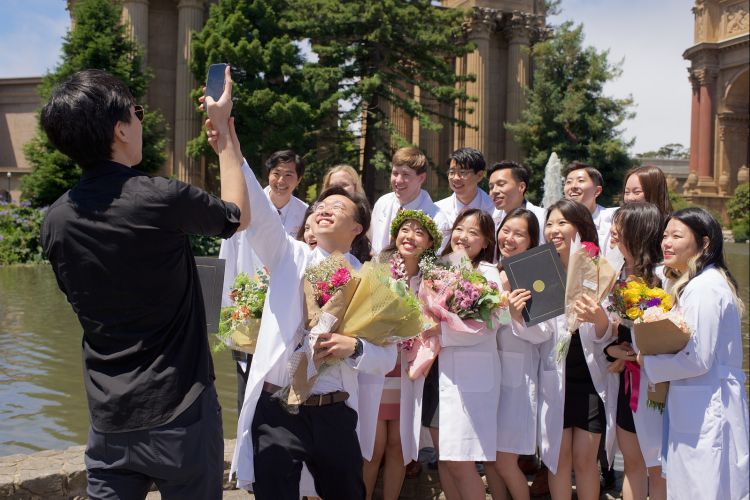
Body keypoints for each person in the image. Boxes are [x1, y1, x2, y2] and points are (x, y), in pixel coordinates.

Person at [40, 68, 249, 499]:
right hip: (181, 410)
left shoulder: (55, 220)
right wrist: (225, 133)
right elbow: (236, 216)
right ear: (119, 130)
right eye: (136, 113)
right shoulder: (160, 197)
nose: (139, 121)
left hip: (108, 419)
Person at [204, 91, 397, 499]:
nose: (324, 209)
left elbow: (388, 357)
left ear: (357, 229)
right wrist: (228, 136)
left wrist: (354, 346)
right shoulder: (288, 255)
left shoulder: (372, 282)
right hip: (278, 410)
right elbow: (253, 201)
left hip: (334, 412)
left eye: (337, 208)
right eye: (321, 204)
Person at [639, 207, 749, 500]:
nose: (666, 243)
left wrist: (648, 362)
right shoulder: (696, 284)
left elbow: (698, 358)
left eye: (677, 235)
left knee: (703, 488)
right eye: (665, 235)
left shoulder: (704, 289)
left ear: (705, 242)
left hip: (707, 406)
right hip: (697, 403)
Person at [538, 199, 617, 500]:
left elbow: (605, 335)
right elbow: (532, 331)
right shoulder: (539, 271)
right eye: (550, 223)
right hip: (553, 378)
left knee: (585, 461)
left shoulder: (599, 270)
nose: (554, 230)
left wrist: (598, 317)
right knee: (557, 460)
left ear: (581, 227)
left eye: (562, 223)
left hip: (589, 380)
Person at [219, 149, 309, 413]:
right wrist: (226, 312)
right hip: (247, 305)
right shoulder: (246, 205)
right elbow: (228, 255)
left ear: (299, 180)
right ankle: (246, 441)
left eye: (288, 175)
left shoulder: (306, 214)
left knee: (280, 376)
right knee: (245, 380)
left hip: (286, 306)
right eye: (276, 174)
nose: (281, 181)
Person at [363, 210, 443, 500]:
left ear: (429, 243)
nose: (410, 237)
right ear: (395, 235)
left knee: (398, 444)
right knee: (374, 446)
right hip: (378, 365)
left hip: (410, 369)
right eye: (405, 230)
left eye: (419, 232)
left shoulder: (433, 280)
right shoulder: (376, 269)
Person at [424, 208, 500, 500]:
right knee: (444, 456)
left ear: (485, 242)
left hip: (469, 379)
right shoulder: (438, 268)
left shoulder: (489, 274)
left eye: (473, 232)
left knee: (461, 459)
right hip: (435, 371)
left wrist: (441, 333)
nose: (463, 236)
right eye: (460, 228)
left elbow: (491, 325)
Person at [604, 203, 667, 500]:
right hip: (627, 379)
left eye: (621, 226)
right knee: (632, 462)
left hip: (656, 385)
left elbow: (670, 332)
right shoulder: (616, 271)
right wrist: (613, 349)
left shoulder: (662, 278)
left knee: (657, 467)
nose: (613, 232)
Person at [492, 208, 551, 500]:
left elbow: (544, 333)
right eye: (506, 230)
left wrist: (517, 316)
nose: (510, 238)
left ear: (531, 241)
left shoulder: (536, 274)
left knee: (505, 461)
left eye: (519, 234)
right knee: (492, 459)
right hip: (487, 376)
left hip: (517, 381)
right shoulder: (489, 271)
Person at [370, 147, 440, 255]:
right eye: (395, 173)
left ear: (421, 178)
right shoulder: (382, 203)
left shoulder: (437, 218)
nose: (398, 180)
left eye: (405, 174)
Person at [435, 148, 495, 249]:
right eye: (452, 172)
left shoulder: (495, 209)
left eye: (462, 172)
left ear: (479, 175)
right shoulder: (437, 209)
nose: (456, 178)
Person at [488, 160, 546, 242]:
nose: (494, 191)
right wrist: (463, 255)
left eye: (501, 184)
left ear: (521, 187)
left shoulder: (543, 218)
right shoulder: (490, 219)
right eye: (491, 187)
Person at [563, 161, 615, 250]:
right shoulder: (556, 223)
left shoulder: (613, 220)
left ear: (597, 191)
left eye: (580, 181)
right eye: (569, 182)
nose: (573, 186)